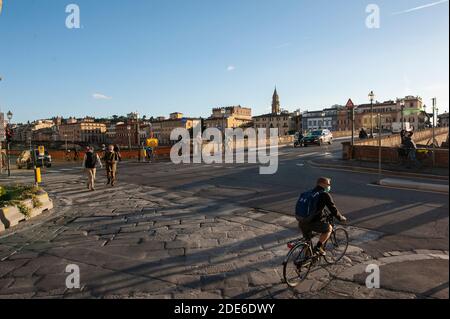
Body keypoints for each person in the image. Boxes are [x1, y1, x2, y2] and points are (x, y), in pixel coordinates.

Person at [296, 177, 347, 256]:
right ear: (323, 184)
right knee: (328, 229)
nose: (329, 186)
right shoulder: (324, 194)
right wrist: (341, 218)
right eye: (328, 184)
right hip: (312, 222)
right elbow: (333, 209)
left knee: (307, 241)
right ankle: (318, 247)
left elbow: (315, 207)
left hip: (302, 220)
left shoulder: (308, 192)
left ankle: (306, 260)